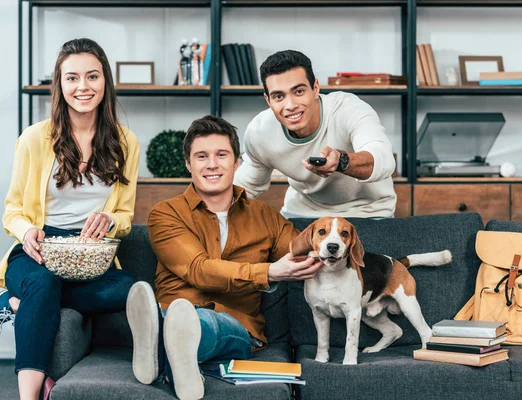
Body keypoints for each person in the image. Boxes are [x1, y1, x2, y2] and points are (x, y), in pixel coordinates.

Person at [126, 115, 322, 400]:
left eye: (221, 155)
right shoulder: (165, 214)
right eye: (201, 156)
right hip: (175, 309)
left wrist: (327, 246)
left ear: (237, 162)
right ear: (188, 164)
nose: (212, 164)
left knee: (202, 323)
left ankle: (157, 346)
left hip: (235, 325)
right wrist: (268, 272)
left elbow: (304, 251)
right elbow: (198, 269)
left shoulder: (265, 216)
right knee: (180, 315)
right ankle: (173, 351)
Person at [0, 38, 140, 400]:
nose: (83, 87)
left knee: (131, 290)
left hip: (91, 256)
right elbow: (12, 211)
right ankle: (29, 396)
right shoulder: (34, 138)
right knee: (43, 283)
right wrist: (28, 230)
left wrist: (110, 219)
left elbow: (125, 215)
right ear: (59, 85)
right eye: (72, 78)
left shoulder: (126, 142)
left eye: (92, 76)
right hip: (39, 249)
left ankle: (13, 302)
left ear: (105, 81)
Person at [233, 49, 397, 219]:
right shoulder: (260, 131)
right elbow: (247, 185)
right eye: (279, 96)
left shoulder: (348, 109)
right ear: (268, 100)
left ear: (315, 88)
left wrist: (341, 161)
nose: (290, 105)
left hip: (368, 212)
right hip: (302, 214)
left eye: (298, 92)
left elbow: (383, 159)